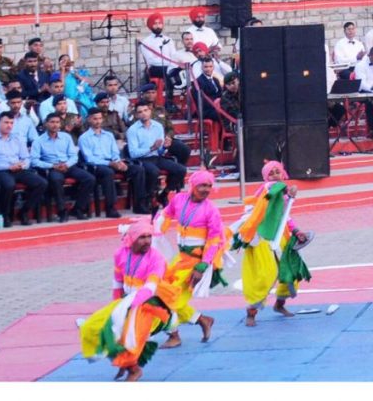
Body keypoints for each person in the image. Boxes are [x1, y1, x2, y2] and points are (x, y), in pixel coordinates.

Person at [79, 219, 177, 382]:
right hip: (126, 302)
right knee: (93, 326)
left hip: (147, 303)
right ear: (131, 238)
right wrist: (116, 305)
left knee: (128, 336)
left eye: (149, 236)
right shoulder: (121, 254)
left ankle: (134, 370)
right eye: (142, 237)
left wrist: (129, 305)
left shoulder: (156, 258)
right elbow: (117, 281)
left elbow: (150, 287)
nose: (147, 241)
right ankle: (123, 364)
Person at [233, 160, 313, 326]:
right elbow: (272, 188)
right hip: (262, 236)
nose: (275, 175)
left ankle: (279, 304)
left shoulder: (283, 193)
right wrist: (287, 191)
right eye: (271, 173)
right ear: (266, 177)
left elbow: (285, 216)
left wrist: (296, 231)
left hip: (280, 235)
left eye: (278, 172)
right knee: (265, 273)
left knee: (289, 270)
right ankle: (251, 312)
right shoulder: (266, 189)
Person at [157, 170, 225, 349]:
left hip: (195, 262)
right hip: (179, 259)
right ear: (192, 186)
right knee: (162, 292)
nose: (206, 189)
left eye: (209, 186)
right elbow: (166, 214)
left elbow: (214, 239)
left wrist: (203, 265)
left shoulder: (211, 210)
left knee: (169, 298)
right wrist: (155, 233)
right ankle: (201, 320)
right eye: (202, 185)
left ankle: (175, 335)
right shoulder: (179, 199)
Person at [0, 112, 46, 226]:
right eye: (6, 122)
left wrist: (23, 165)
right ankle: (5, 215)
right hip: (1, 170)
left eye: (11, 123)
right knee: (9, 185)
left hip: (18, 169)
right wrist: (9, 166)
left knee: (42, 183)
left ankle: (24, 212)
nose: (9, 125)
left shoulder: (18, 138)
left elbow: (26, 157)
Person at [32, 113, 96, 222]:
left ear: (60, 124)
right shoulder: (39, 141)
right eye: (52, 122)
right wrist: (52, 166)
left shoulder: (66, 137)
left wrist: (66, 164)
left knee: (90, 179)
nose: (55, 125)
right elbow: (34, 161)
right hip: (52, 167)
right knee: (56, 180)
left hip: (68, 166)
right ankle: (62, 211)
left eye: (57, 122)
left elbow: (73, 156)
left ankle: (78, 208)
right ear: (46, 124)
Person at [127, 102, 187, 210]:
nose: (144, 114)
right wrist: (150, 149)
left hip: (156, 157)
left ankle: (164, 194)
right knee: (153, 171)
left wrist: (164, 147)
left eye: (146, 110)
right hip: (142, 159)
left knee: (180, 169)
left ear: (150, 111)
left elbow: (159, 151)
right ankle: (149, 198)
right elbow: (133, 153)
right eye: (140, 112)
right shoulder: (132, 130)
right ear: (136, 115)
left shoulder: (158, 126)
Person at [77, 110, 124, 219]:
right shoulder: (84, 138)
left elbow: (115, 152)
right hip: (96, 166)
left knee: (137, 169)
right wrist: (110, 163)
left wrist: (118, 162)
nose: (98, 121)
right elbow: (89, 158)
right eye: (95, 119)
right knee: (108, 172)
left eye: (99, 118)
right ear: (89, 119)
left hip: (112, 162)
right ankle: (110, 208)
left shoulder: (109, 135)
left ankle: (143, 202)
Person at [135, 84, 191, 165]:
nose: (151, 95)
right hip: (147, 143)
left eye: (153, 92)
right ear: (142, 95)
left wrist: (168, 137)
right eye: (148, 93)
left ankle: (179, 169)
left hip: (164, 140)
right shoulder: (138, 111)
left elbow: (170, 128)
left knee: (184, 149)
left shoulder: (161, 109)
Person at [140, 12, 177, 92]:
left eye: (160, 23)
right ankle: (168, 99)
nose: (158, 26)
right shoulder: (146, 41)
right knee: (168, 72)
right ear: (150, 25)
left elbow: (174, 56)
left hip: (168, 67)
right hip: (155, 68)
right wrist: (167, 64)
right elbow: (150, 60)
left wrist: (171, 65)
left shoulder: (168, 40)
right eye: (155, 24)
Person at [193, 58, 224, 123]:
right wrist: (217, 103)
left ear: (213, 67)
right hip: (206, 110)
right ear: (202, 67)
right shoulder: (198, 81)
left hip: (217, 107)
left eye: (210, 66)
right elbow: (200, 100)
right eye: (206, 67)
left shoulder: (216, 80)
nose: (208, 69)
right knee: (224, 113)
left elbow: (221, 94)